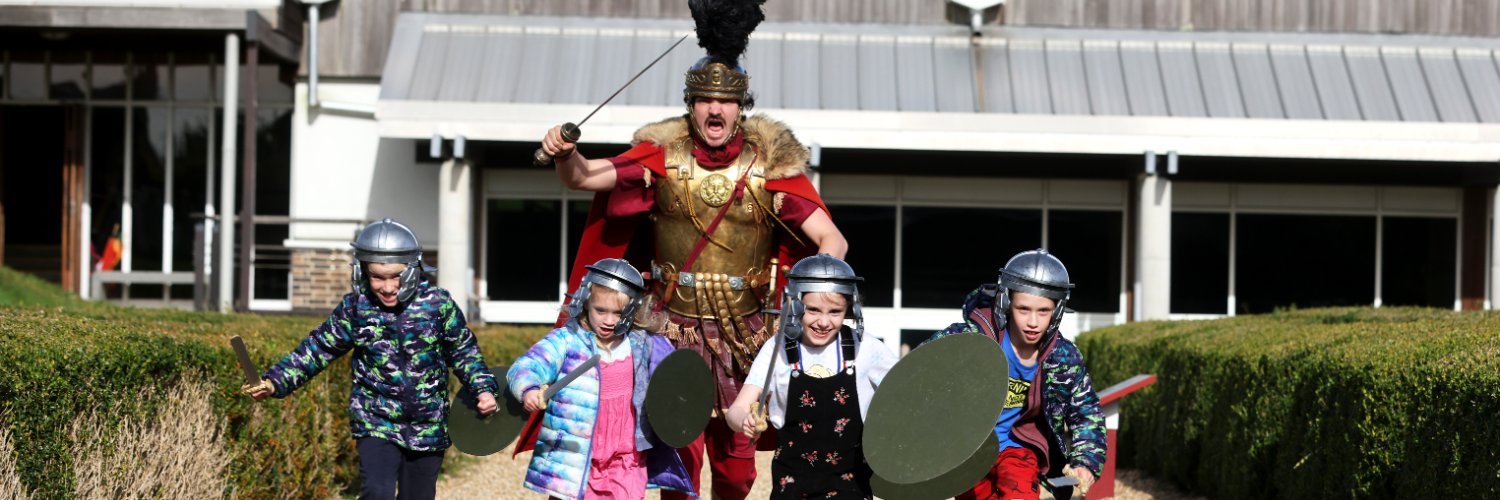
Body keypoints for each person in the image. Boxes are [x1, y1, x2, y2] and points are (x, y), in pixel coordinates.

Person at [536, 1, 847, 497]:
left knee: (736, 469)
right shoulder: (662, 161)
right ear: (691, 105)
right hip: (671, 327)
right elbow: (585, 177)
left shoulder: (770, 169)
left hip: (746, 334)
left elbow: (832, 239)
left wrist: (813, 295)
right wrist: (566, 152)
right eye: (704, 100)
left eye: (724, 101)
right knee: (677, 460)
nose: (714, 110)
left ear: (740, 106)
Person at [242, 218, 499, 500]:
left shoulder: (438, 305)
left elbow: (463, 351)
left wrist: (483, 389)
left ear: (413, 270)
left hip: (429, 425)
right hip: (375, 420)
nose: (387, 287)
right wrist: (274, 382)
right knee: (377, 492)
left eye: (396, 276)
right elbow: (317, 348)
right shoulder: (356, 308)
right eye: (377, 277)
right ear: (362, 271)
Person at [927, 249, 1106, 500]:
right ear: (1006, 303)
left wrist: (1086, 461)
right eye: (1024, 309)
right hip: (969, 450)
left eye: (1043, 311)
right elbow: (920, 378)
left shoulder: (1064, 358)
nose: (1033, 321)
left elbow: (1086, 413)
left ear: (1057, 310)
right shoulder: (968, 339)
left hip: (1020, 449)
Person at [507, 258, 694, 499]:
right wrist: (529, 389)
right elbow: (526, 366)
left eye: (618, 313)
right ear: (586, 303)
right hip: (576, 458)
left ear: (633, 310)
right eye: (601, 311)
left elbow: (676, 379)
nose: (608, 320)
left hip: (626, 458)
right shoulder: (567, 341)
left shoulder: (643, 343)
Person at [725, 254, 896, 499]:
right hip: (792, 487)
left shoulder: (867, 348)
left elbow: (907, 395)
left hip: (851, 486)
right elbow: (736, 410)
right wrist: (745, 421)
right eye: (813, 310)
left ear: (850, 309)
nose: (823, 321)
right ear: (795, 306)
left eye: (835, 312)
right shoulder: (777, 349)